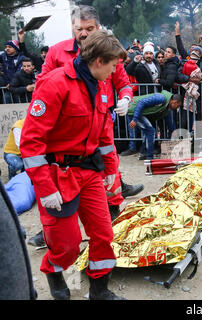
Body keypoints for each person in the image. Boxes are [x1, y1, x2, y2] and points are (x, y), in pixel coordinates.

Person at [20, 29, 126, 300]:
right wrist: (44, 188)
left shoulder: (101, 86)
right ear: (99, 61)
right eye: (113, 66)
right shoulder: (55, 83)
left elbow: (104, 134)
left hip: (89, 172)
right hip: (58, 175)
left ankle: (99, 292)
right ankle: (54, 271)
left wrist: (111, 170)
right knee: (67, 244)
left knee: (103, 234)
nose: (115, 73)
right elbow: (31, 143)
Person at [27, 4, 143, 247]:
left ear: (98, 28)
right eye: (79, 29)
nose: (84, 33)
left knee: (105, 165)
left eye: (89, 28)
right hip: (66, 127)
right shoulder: (57, 54)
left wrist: (124, 99)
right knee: (60, 207)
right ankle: (54, 232)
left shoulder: (109, 53)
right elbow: (43, 85)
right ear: (73, 28)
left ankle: (112, 206)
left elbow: (121, 80)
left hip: (100, 117)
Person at [128, 91, 183, 160]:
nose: (177, 108)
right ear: (174, 101)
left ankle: (143, 153)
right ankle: (149, 156)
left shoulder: (167, 107)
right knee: (151, 131)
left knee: (148, 132)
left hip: (138, 112)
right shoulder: (161, 98)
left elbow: (171, 126)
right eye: (177, 106)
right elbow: (142, 102)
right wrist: (135, 119)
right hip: (135, 110)